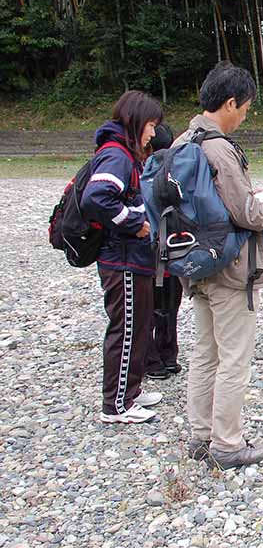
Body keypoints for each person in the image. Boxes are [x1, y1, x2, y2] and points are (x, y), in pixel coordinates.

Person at [179, 62, 263, 469]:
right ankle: (228, 444)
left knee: (205, 352)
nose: (246, 115)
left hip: (196, 264)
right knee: (233, 357)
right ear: (230, 102)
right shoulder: (218, 148)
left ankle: (201, 436)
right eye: (246, 107)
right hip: (232, 269)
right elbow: (249, 215)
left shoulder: (185, 139)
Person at [82, 91, 164, 423]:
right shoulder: (116, 155)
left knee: (140, 324)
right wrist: (135, 224)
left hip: (134, 258)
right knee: (127, 327)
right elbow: (96, 198)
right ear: (135, 122)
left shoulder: (128, 154)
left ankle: (131, 390)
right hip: (123, 259)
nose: (153, 134)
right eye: (150, 125)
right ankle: (115, 404)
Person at [144, 122, 183, 381]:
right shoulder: (175, 171)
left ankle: (152, 360)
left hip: (149, 255)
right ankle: (169, 356)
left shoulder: (143, 173)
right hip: (174, 253)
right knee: (171, 308)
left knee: (149, 309)